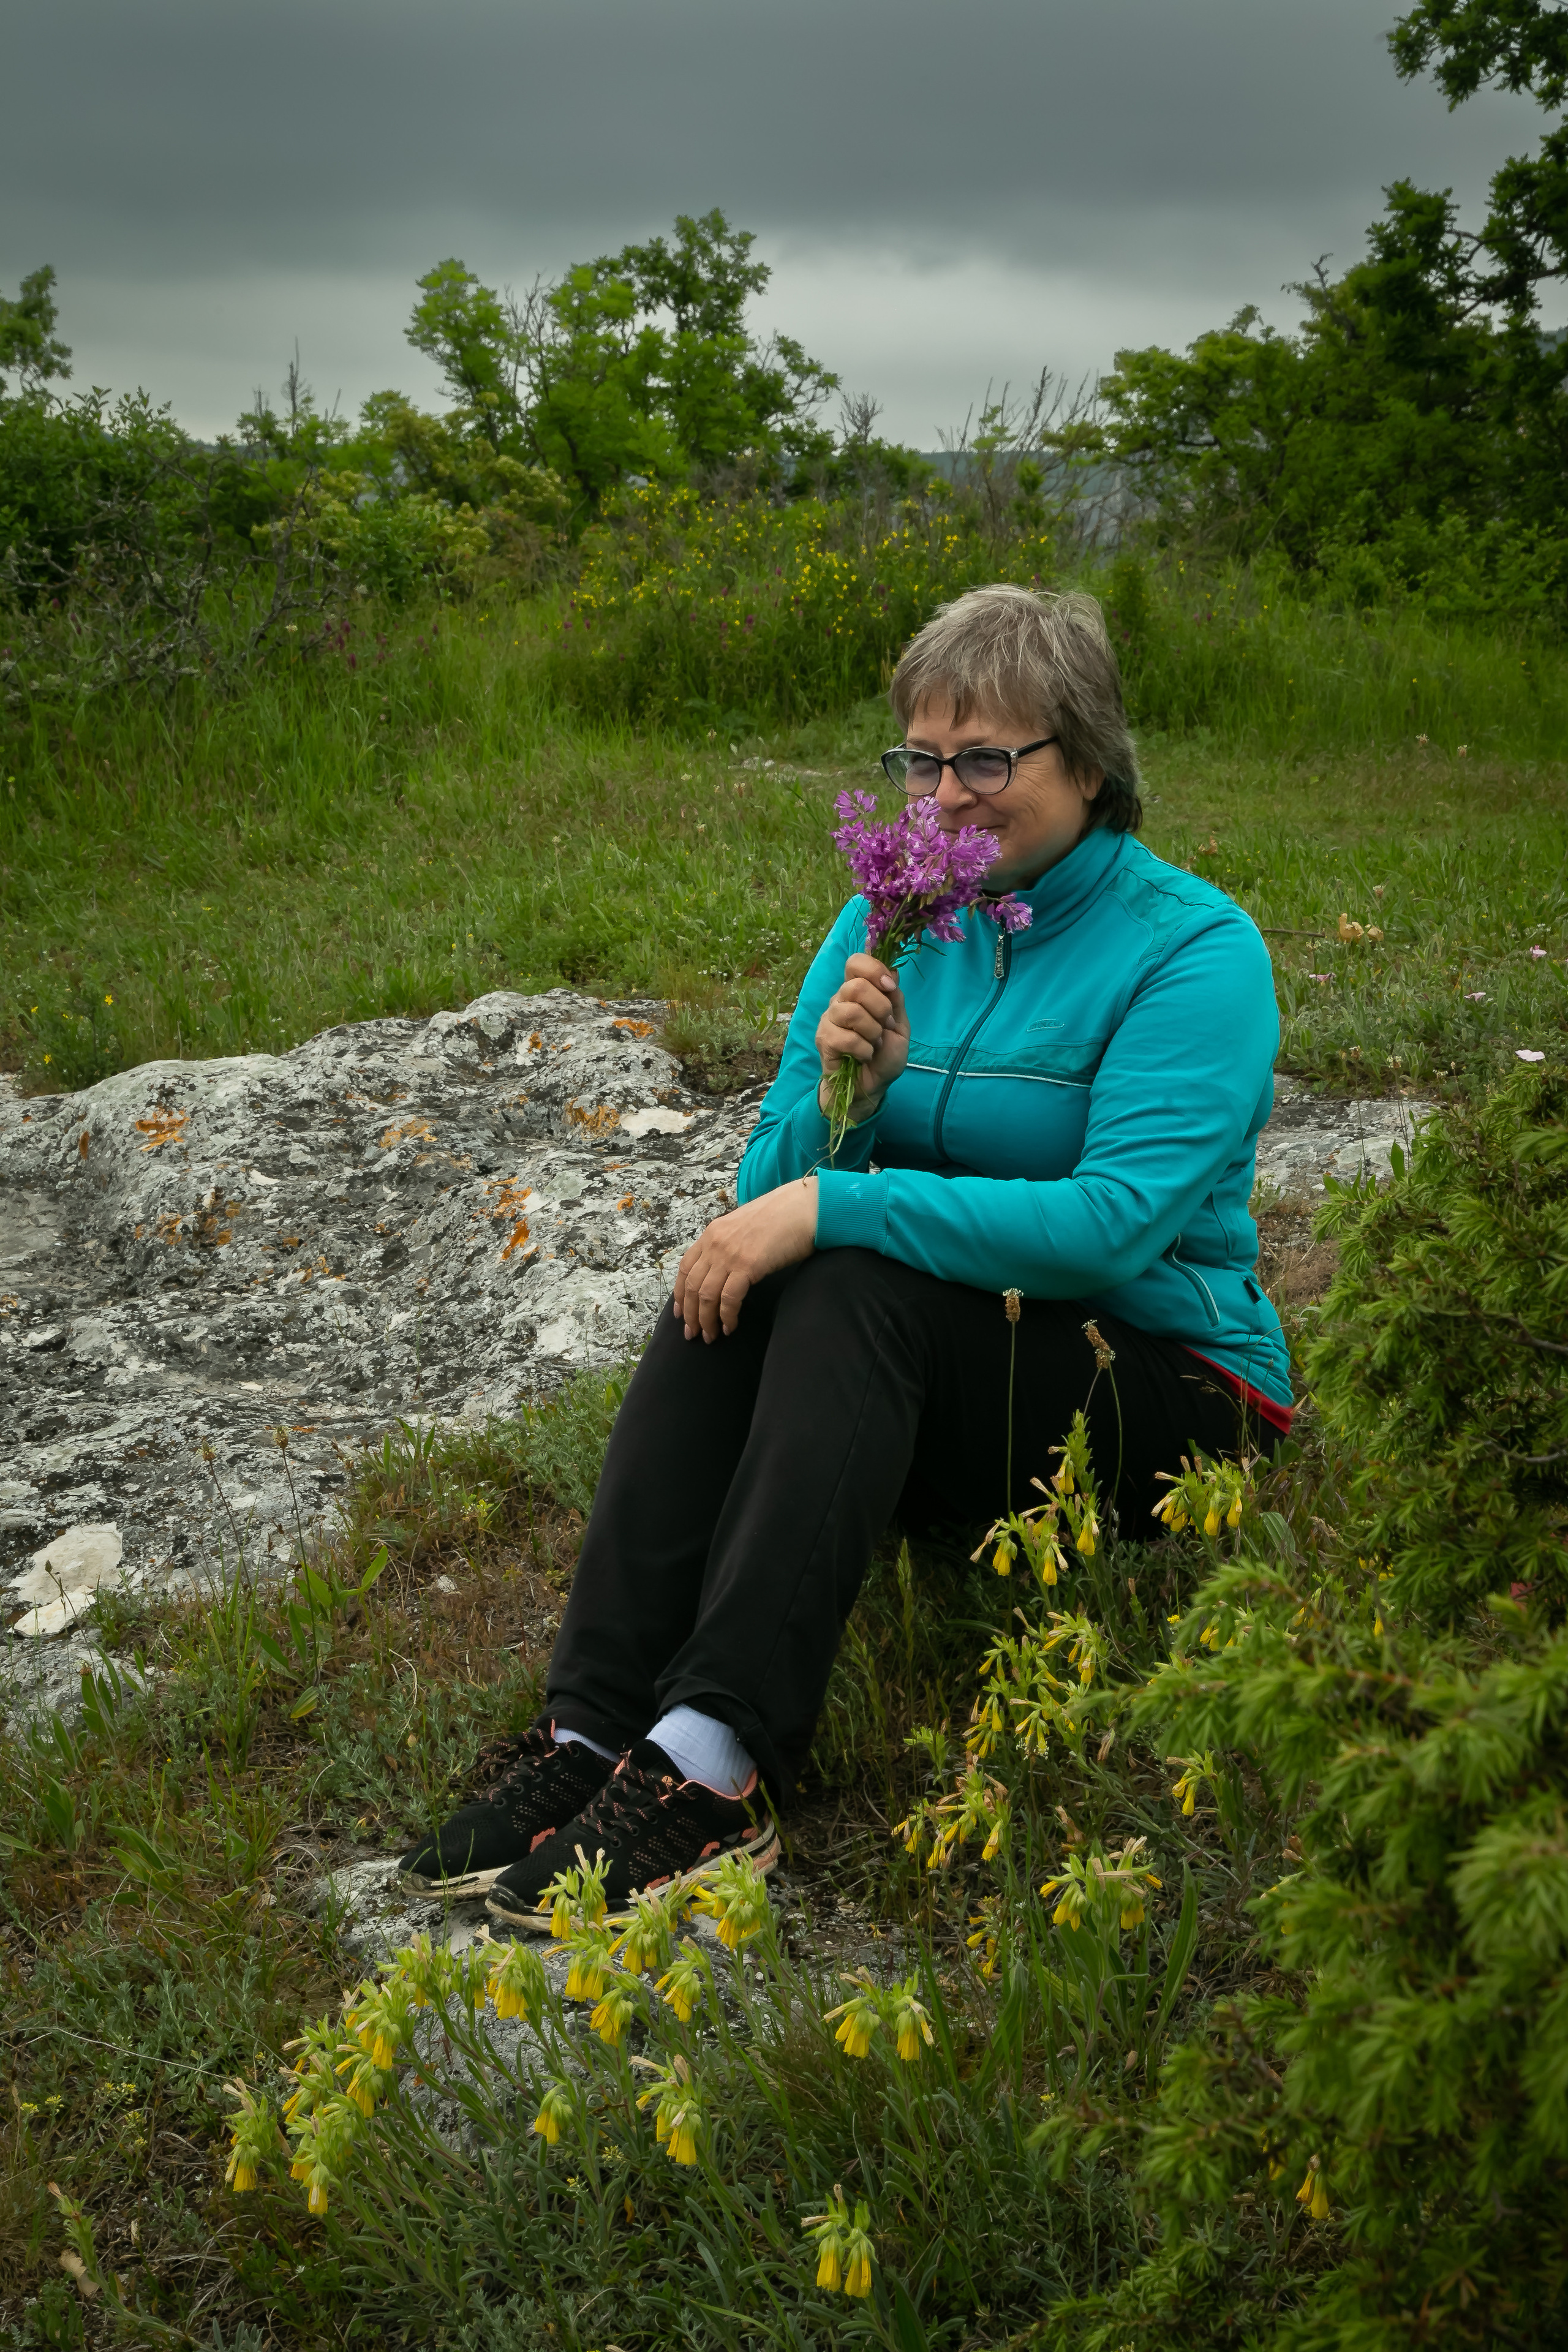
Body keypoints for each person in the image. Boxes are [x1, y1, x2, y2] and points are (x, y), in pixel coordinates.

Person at [399, 583, 1291, 1929]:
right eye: (920, 761)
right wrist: (841, 1105)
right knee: (755, 1274)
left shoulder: (1193, 951)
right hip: (948, 1385)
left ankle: (711, 1765)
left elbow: (1113, 1225)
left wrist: (836, 1206)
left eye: (987, 759)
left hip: (1161, 1389)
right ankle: (590, 1730)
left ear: (1091, 762)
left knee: (848, 1265)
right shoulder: (887, 915)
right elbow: (765, 1191)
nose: (944, 798)